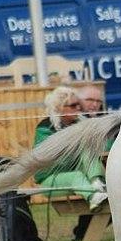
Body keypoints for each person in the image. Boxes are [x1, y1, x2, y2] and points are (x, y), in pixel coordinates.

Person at [33, 87, 108, 217]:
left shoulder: (82, 122)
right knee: (77, 175)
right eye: (73, 105)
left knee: (88, 149)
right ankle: (94, 196)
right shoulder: (45, 128)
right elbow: (50, 161)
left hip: (81, 175)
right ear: (59, 107)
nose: (78, 108)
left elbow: (104, 144)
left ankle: (97, 185)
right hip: (50, 179)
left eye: (79, 104)